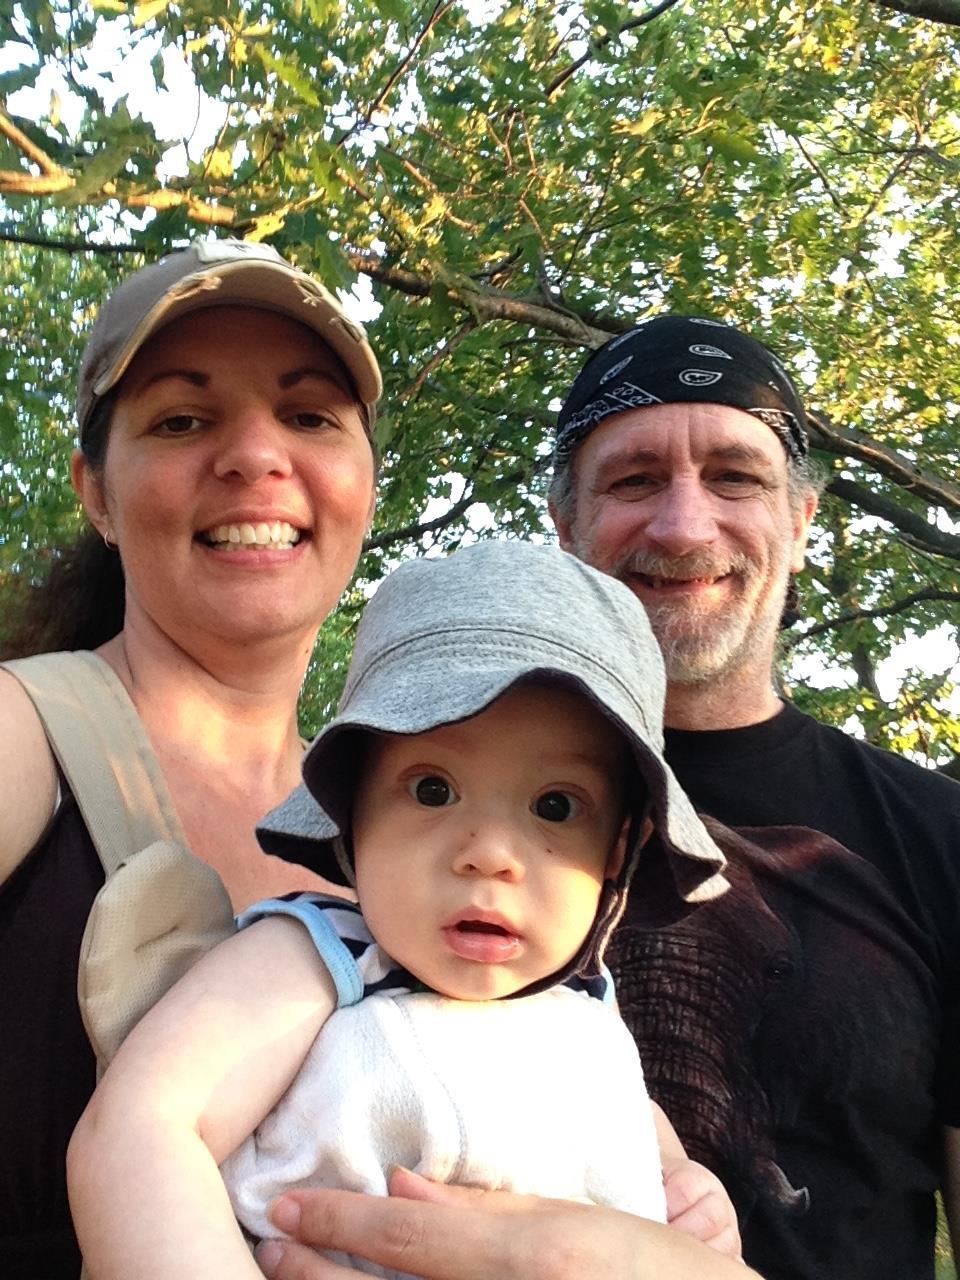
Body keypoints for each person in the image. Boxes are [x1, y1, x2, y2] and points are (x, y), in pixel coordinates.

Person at [67, 540, 742, 1280]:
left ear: (616, 853)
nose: (490, 854)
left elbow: (629, 1128)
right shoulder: (322, 956)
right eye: (432, 790)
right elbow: (143, 1128)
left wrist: (687, 1191)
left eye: (555, 806)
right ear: (353, 815)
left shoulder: (587, 1003)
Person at [546, 315, 960, 1280]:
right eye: (634, 480)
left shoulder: (939, 836)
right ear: (566, 531)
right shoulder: (440, 802)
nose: (685, 526)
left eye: (735, 477)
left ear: (801, 522)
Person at [0, 237, 382, 1280]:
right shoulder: (25, 730)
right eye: (181, 419)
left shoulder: (407, 815)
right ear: (96, 493)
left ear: (367, 484)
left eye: (309, 416)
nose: (256, 456)